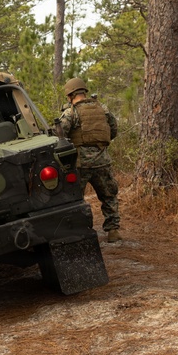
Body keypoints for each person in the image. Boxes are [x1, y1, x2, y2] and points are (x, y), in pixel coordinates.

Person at [58, 77, 121, 242]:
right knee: (109, 195)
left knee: (75, 198)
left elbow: (60, 136)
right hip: (103, 160)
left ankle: (80, 230)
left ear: (70, 95)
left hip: (81, 163)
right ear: (84, 91)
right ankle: (113, 231)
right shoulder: (103, 109)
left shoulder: (71, 112)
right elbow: (113, 130)